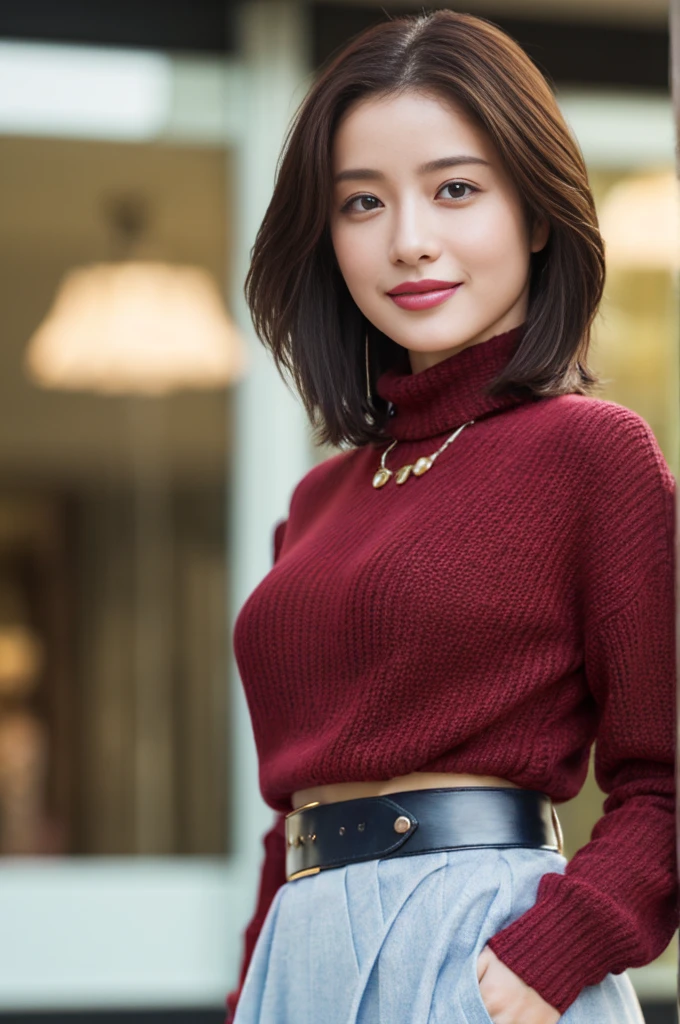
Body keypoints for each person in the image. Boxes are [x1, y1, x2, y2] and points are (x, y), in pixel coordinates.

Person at [225, 9, 678, 1024]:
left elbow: (665, 777)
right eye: (360, 202)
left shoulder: (590, 453)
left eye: (455, 189)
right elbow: (288, 818)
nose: (408, 241)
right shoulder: (317, 501)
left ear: (532, 211)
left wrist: (546, 956)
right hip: (297, 962)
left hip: (480, 956)